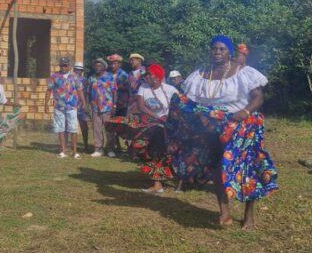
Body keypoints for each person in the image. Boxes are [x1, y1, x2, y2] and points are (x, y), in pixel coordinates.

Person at [167, 35, 278, 229]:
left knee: (247, 171)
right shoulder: (200, 74)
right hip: (212, 128)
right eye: (214, 49)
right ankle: (224, 213)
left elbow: (258, 97)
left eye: (222, 49)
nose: (217, 52)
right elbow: (191, 100)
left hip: (243, 126)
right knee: (219, 170)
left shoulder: (244, 72)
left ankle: (249, 216)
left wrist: (244, 112)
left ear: (229, 52)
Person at [132, 64, 178, 193]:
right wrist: (157, 117)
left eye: (150, 74)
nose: (147, 77)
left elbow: (179, 108)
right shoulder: (143, 88)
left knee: (163, 151)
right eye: (146, 74)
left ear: (158, 77)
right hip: (151, 124)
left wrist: (167, 118)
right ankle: (157, 182)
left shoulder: (171, 90)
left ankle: (161, 183)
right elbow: (141, 106)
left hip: (168, 126)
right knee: (148, 150)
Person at [44, 57, 86, 159]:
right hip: (59, 106)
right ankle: (63, 150)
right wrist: (45, 104)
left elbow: (79, 90)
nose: (63, 67)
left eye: (65, 65)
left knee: (73, 129)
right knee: (60, 129)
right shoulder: (54, 76)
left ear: (69, 66)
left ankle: (75, 152)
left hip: (72, 106)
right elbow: (49, 90)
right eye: (62, 65)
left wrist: (84, 101)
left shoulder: (75, 77)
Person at [88, 58, 117, 158]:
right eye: (96, 66)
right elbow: (88, 93)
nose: (97, 67)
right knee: (97, 129)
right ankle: (98, 149)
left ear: (104, 67)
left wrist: (114, 105)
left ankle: (110, 149)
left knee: (109, 129)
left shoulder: (110, 77)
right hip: (95, 107)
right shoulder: (92, 78)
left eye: (99, 66)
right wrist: (88, 105)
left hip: (107, 107)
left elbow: (114, 91)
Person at [106, 54, 128, 156]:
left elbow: (128, 89)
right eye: (111, 63)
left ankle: (123, 146)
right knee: (111, 126)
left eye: (115, 63)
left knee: (121, 126)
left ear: (119, 64)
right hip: (109, 103)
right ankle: (114, 146)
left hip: (121, 104)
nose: (113, 65)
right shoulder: (108, 75)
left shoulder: (124, 75)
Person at [73, 62, 91, 153]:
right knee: (70, 126)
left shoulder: (85, 80)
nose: (78, 71)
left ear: (82, 71)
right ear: (74, 70)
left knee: (84, 126)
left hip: (81, 106)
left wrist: (86, 105)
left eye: (80, 70)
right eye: (76, 70)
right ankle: (71, 145)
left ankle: (86, 145)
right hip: (71, 106)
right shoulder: (70, 79)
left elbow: (87, 94)